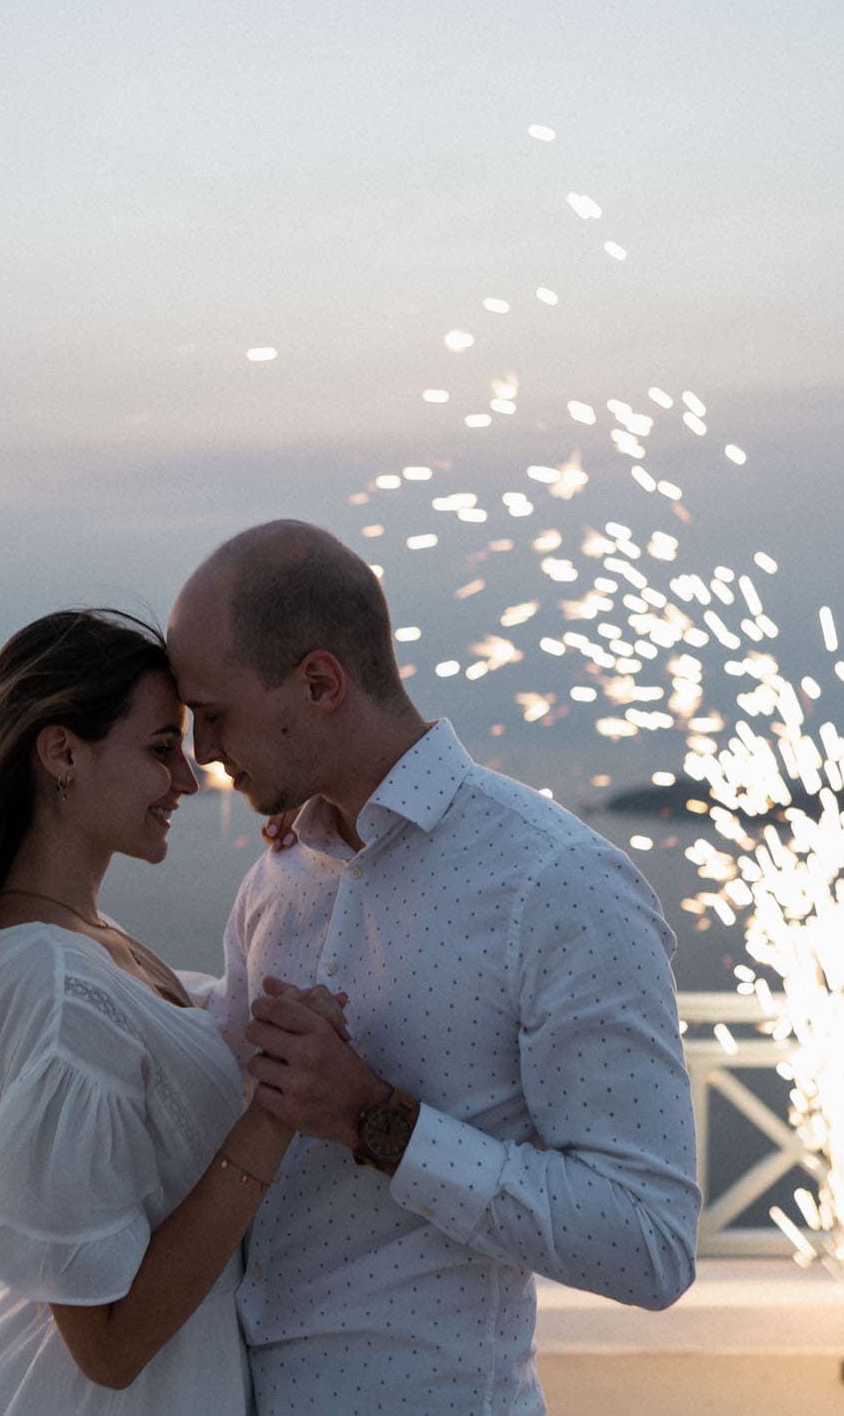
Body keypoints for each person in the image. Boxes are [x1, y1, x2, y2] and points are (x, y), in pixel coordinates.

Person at [167, 521, 701, 1415]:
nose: (202, 749)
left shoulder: (557, 882)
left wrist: (378, 1119)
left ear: (320, 682)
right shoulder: (278, 877)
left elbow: (651, 1241)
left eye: (213, 712)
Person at [0, 608, 347, 1413]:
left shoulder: (83, 948)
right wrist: (273, 1116)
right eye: (160, 749)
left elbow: (199, 1039)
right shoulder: (57, 983)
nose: (186, 780)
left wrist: (309, 863)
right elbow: (108, 1342)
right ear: (62, 751)